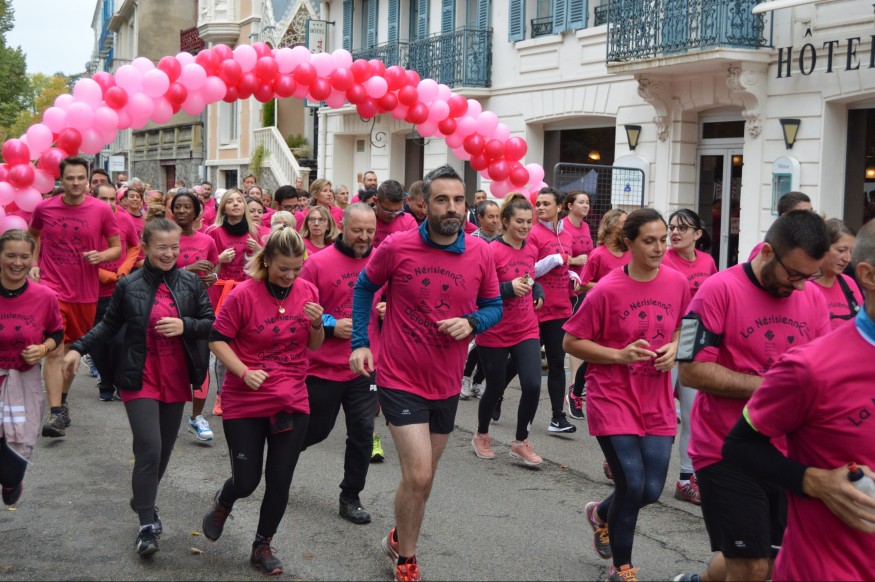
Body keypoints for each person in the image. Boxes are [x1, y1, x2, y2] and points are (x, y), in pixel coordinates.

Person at [349, 165, 502, 581]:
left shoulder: (481, 253)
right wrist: (360, 342)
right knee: (417, 474)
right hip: (400, 376)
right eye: (442, 199)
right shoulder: (398, 246)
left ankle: (397, 537)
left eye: (458, 200)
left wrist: (472, 322)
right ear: (424, 204)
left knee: (424, 480)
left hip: (446, 380)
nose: (451, 207)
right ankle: (407, 558)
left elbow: (494, 306)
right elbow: (364, 287)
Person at [677, 210, 831, 582]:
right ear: (766, 251)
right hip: (723, 450)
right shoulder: (715, 290)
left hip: (788, 455)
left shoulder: (813, 299)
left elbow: (824, 373)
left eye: (809, 276)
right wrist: (770, 386)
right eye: (793, 274)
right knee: (751, 567)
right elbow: (690, 370)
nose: (800, 287)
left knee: (773, 562)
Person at [721, 218, 875, 582]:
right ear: (868, 276)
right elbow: (739, 446)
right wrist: (814, 481)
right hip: (831, 570)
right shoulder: (811, 367)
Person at [63, 218, 214, 556]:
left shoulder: (192, 283)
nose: (169, 253)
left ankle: (143, 498)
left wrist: (185, 324)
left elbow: (211, 324)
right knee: (149, 447)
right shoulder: (128, 285)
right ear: (145, 247)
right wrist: (77, 348)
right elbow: (107, 325)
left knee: (163, 452)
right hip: (139, 375)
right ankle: (147, 526)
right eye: (162, 247)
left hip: (175, 377)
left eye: (174, 247)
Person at [564, 208, 690, 582]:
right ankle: (622, 568)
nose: (659, 248)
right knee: (631, 485)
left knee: (650, 491)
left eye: (663, 240)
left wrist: (675, 349)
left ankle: (601, 514)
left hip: (656, 400)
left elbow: (684, 327)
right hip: (613, 397)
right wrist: (619, 355)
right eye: (649, 241)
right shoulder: (607, 290)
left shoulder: (677, 283)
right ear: (629, 243)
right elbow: (571, 341)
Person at [201, 226, 324, 576]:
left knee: (280, 480)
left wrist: (318, 325)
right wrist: (243, 372)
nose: (290, 276)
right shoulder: (244, 294)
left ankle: (262, 545)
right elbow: (216, 339)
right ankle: (224, 502)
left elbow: (314, 345)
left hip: (291, 399)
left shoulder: (308, 291)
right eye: (283, 268)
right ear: (266, 260)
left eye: (297, 268)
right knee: (247, 481)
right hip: (246, 400)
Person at [27, 157, 121, 438]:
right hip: (51, 289)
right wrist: (34, 263)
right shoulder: (44, 208)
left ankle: (63, 401)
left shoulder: (101, 210)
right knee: (55, 349)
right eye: (70, 178)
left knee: (71, 352)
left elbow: (116, 247)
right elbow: (33, 235)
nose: (76, 183)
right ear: (61, 180)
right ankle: (55, 413)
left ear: (88, 181)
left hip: (85, 294)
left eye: (81, 178)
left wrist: (101, 256)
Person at [299, 203, 380, 524]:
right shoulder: (317, 263)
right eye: (357, 230)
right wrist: (331, 325)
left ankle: (351, 496)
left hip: (365, 365)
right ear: (342, 227)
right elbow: (301, 307)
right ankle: (281, 456)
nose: (364, 237)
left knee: (363, 432)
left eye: (370, 231)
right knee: (317, 430)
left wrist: (387, 309)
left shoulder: (382, 261)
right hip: (323, 365)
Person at [471, 193, 546, 465]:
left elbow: (530, 277)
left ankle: (520, 442)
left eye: (528, 221)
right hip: (494, 330)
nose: (525, 226)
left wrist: (536, 290)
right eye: (519, 221)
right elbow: (478, 291)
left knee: (533, 385)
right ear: (505, 221)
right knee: (494, 387)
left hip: (526, 328)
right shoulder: (491, 250)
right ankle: (481, 434)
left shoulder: (531, 248)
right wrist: (507, 289)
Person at [0, 230, 63, 507]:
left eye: (24, 256)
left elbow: (56, 333)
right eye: (10, 255)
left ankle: (11, 481)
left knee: (11, 469)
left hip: (23, 382)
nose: (18, 262)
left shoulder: (44, 296)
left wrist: (42, 349)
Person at [661, 209, 718, 506]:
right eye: (672, 227)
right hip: (667, 337)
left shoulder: (708, 262)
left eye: (682, 228)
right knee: (657, 411)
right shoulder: (662, 260)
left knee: (693, 412)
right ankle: (626, 459)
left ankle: (686, 479)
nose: (675, 232)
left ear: (698, 233)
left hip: (694, 338)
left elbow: (716, 300)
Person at [205, 188, 261, 416]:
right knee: (223, 344)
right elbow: (206, 267)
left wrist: (259, 251)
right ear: (223, 207)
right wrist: (218, 258)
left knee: (248, 343)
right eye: (231, 201)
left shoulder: (254, 232)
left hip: (248, 293)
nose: (236, 204)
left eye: (240, 200)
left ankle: (247, 390)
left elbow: (265, 265)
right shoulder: (214, 232)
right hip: (221, 293)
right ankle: (222, 393)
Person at [171, 190, 220, 441]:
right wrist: (188, 269)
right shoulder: (165, 238)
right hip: (169, 307)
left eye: (186, 207)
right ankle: (167, 414)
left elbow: (214, 268)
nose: (182, 211)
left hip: (199, 308)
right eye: (177, 206)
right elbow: (152, 270)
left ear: (197, 212)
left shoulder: (207, 241)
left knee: (201, 360)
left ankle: (196, 417)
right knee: (173, 363)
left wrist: (212, 277)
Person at [529, 187, 577, 434]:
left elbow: (565, 264)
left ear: (559, 207)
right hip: (535, 308)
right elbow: (529, 270)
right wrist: (554, 260)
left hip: (560, 309)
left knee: (557, 362)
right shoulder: (533, 233)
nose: (540, 208)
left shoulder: (567, 234)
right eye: (538, 204)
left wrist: (573, 274)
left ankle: (558, 417)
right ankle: (496, 395)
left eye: (545, 204)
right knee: (521, 362)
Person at [93, 183, 141, 401]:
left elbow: (135, 246)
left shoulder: (124, 219)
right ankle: (106, 381)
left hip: (120, 290)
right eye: (103, 199)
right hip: (93, 293)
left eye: (112, 199)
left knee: (121, 340)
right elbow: (78, 253)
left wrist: (125, 269)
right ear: (93, 199)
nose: (109, 204)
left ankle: (121, 381)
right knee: (99, 341)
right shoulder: (86, 221)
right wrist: (102, 274)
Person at [461, 199, 503, 400]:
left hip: (500, 298)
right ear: (479, 218)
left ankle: (478, 381)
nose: (495, 221)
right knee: (480, 340)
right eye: (490, 217)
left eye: (497, 216)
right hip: (480, 299)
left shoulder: (503, 239)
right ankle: (465, 377)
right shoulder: (472, 241)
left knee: (490, 344)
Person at [561, 190, 594, 421]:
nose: (586, 205)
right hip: (564, 287)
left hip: (584, 286)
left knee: (583, 335)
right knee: (575, 335)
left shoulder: (586, 227)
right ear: (570, 205)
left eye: (587, 202)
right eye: (581, 202)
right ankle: (574, 384)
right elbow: (556, 254)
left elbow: (589, 254)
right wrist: (573, 260)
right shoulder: (562, 226)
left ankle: (577, 385)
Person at [812, 218, 863, 330]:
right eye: (841, 250)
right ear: (822, 248)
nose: (848, 259)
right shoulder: (803, 286)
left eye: (851, 252)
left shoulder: (849, 283)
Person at [747, 191, 813, 261]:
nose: (811, 218)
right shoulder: (764, 250)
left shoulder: (807, 248)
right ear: (786, 217)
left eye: (811, 212)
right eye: (804, 214)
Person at [372, 179, 418, 248]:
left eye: (398, 211)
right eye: (388, 211)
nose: (393, 216)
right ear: (376, 201)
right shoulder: (365, 220)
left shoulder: (408, 222)